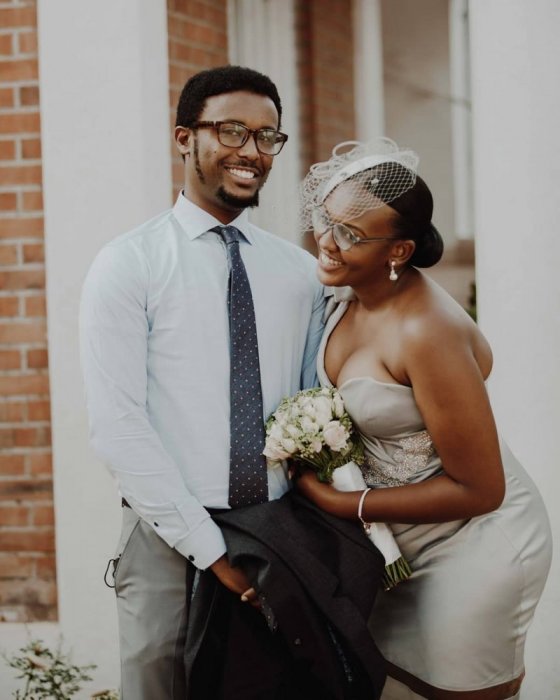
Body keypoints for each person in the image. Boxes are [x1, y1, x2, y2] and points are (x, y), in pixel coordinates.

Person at [79, 65, 325, 699]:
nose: (252, 151)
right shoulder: (128, 265)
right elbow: (117, 427)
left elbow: (311, 407)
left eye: (267, 136)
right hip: (165, 534)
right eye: (232, 130)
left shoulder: (300, 274)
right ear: (185, 138)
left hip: (271, 537)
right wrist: (212, 551)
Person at [295, 138, 552, 700]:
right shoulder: (345, 295)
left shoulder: (426, 332)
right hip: (393, 547)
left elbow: (481, 489)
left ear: (399, 250)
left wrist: (343, 505)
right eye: (325, 219)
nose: (327, 241)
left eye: (350, 234)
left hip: (474, 544)